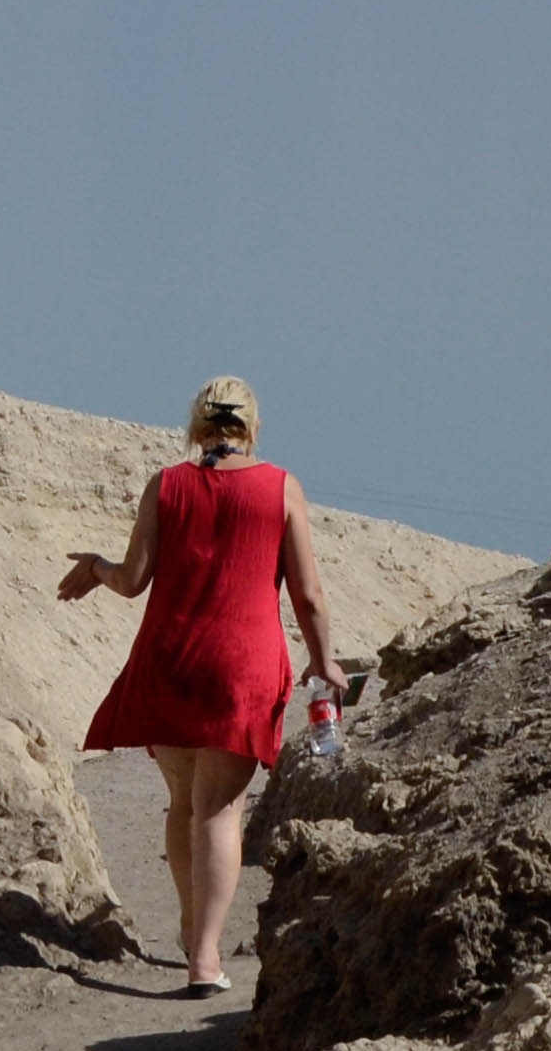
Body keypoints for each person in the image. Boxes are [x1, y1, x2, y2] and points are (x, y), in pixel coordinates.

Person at [58, 374, 347, 998]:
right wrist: (326, 660)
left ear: (197, 426)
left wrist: (94, 568)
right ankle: (205, 957)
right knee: (219, 808)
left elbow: (134, 578)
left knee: (184, 800)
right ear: (253, 426)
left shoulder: (167, 484)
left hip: (170, 660)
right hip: (240, 665)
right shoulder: (280, 488)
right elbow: (309, 593)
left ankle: (193, 926)